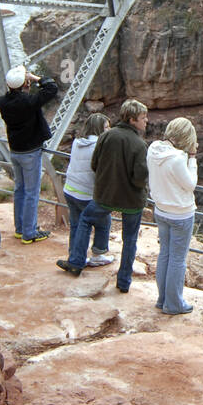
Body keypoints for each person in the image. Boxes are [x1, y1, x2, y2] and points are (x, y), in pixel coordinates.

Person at [67, 99, 149, 294]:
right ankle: (123, 282)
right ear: (132, 119)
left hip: (106, 196)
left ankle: (76, 262)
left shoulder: (106, 136)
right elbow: (140, 178)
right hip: (131, 201)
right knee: (129, 240)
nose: (146, 121)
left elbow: (94, 164)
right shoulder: (139, 144)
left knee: (85, 220)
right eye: (143, 118)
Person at [0, 64, 58, 243]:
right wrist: (37, 78)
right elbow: (52, 88)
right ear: (26, 84)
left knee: (20, 190)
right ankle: (29, 233)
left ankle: (20, 228)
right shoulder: (29, 102)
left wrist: (24, 81)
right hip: (30, 152)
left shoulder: (2, 102)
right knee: (31, 192)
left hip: (15, 151)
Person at [147, 117, 199, 315]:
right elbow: (190, 184)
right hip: (181, 214)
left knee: (165, 255)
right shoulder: (178, 159)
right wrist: (192, 157)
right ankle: (174, 304)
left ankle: (162, 300)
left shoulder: (153, 149)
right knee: (178, 259)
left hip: (161, 210)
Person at [61, 113, 114, 268]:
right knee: (103, 221)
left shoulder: (77, 142)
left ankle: (75, 255)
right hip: (87, 194)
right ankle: (98, 254)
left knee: (76, 225)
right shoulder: (100, 146)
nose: (109, 130)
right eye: (106, 127)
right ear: (98, 129)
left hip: (70, 190)